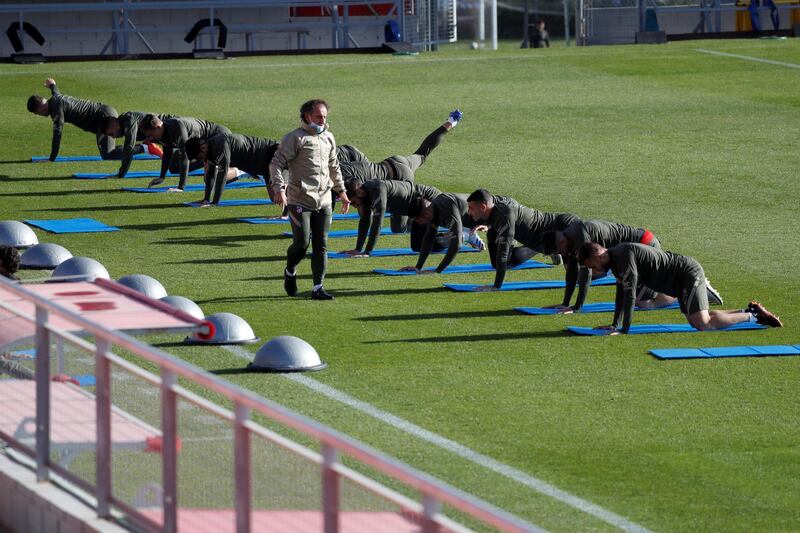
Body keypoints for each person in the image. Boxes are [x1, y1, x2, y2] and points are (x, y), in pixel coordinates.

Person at [576, 242, 782, 334]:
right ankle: (749, 312)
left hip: (687, 273)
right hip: (676, 281)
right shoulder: (614, 263)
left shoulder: (624, 257)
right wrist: (615, 324)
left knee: (703, 324)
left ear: (599, 255)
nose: (593, 271)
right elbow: (620, 293)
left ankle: (752, 317)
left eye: (592, 266)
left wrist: (623, 330)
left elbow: (629, 296)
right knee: (696, 322)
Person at [270, 99, 351, 300]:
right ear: (307, 116)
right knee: (302, 243)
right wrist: (279, 189)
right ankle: (290, 270)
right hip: (300, 200)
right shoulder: (295, 138)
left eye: (324, 117)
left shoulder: (329, 138)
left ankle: (317, 288)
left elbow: (334, 166)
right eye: (318, 117)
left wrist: (341, 191)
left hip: (324, 200)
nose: (322, 120)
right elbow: (276, 164)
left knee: (321, 244)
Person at [466, 189, 578, 290]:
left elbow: (503, 255)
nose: (469, 212)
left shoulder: (505, 216)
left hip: (555, 228)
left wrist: (496, 286)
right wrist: (488, 225)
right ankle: (551, 249)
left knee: (579, 274)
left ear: (483, 207)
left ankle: (551, 248)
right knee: (497, 263)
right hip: (541, 233)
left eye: (471, 208)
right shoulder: (493, 203)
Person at [337, 110, 462, 185]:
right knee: (422, 154)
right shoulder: (344, 166)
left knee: (399, 226)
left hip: (399, 176)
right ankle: (451, 121)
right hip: (398, 162)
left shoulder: (337, 172)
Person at [341, 178, 442, 257]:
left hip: (430, 201)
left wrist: (367, 252)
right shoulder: (365, 196)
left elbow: (377, 223)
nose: (355, 206)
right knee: (416, 245)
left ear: (359, 192)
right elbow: (365, 221)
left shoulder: (377, 189)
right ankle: (446, 238)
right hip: (416, 209)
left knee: (424, 242)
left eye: (353, 202)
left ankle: (449, 239)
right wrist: (358, 249)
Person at [27, 78, 120, 161]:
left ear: (39, 108)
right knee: (110, 150)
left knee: (108, 154)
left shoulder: (56, 111)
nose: (38, 115)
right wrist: (52, 85)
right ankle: (131, 148)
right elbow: (56, 92)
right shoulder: (55, 99)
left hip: (104, 118)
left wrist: (51, 159)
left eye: (36, 113)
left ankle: (133, 150)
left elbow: (57, 136)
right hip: (106, 111)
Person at [140, 114, 231, 191]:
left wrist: (181, 187)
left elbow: (185, 155)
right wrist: (162, 177)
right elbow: (167, 153)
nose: (151, 138)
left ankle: (237, 171)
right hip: (202, 145)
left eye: (151, 134)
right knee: (174, 167)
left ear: (158, 127)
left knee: (209, 180)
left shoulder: (177, 127)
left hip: (220, 137)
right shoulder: (162, 131)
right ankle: (212, 163)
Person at [185, 133, 279, 206]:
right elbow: (211, 174)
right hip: (258, 165)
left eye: (198, 157)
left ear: (203, 148)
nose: (199, 160)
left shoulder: (220, 145)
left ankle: (289, 210)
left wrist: (214, 203)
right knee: (274, 199)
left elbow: (222, 176)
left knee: (280, 196)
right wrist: (206, 199)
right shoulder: (209, 151)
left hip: (269, 155)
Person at [401, 193, 485, 274]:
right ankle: (467, 234)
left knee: (495, 264)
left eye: (419, 220)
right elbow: (429, 238)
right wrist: (418, 267)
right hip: (472, 221)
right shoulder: (432, 209)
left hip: (490, 219)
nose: (420, 224)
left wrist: (438, 270)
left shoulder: (447, 208)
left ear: (425, 214)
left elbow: (457, 244)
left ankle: (467, 235)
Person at [101, 112, 166, 179]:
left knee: (174, 164)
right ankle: (147, 146)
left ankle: (147, 147)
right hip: (162, 134)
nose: (113, 137)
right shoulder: (124, 122)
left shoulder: (129, 120)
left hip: (168, 128)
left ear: (113, 124)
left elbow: (129, 148)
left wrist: (120, 175)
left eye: (111, 133)